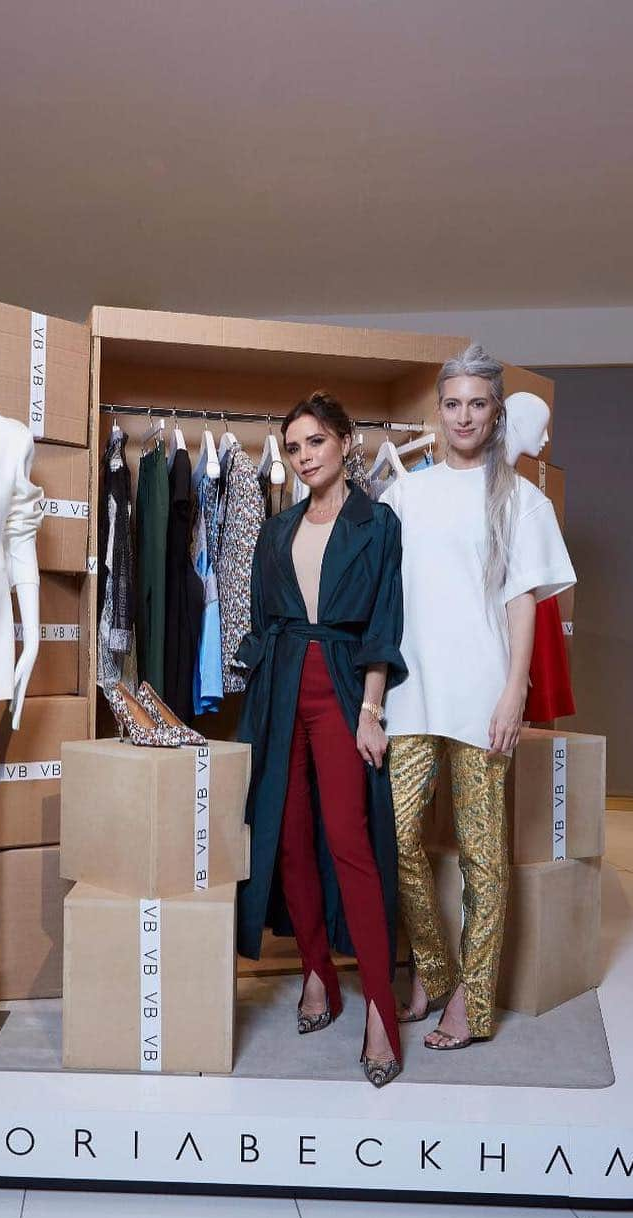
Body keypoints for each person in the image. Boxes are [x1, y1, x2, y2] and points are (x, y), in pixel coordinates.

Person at [380, 345, 575, 1051]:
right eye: (453, 403)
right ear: (441, 412)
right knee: (394, 835)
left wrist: (514, 692)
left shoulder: (520, 499)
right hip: (411, 693)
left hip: (484, 695)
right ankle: (433, 968)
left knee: (482, 856)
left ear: (496, 414)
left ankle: (473, 997)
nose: (464, 416)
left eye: (478, 403)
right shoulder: (405, 493)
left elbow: (523, 604)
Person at [234, 391, 406, 1087]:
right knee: (286, 838)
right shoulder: (278, 531)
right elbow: (260, 616)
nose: (304, 458)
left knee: (350, 842)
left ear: (345, 442)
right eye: (294, 447)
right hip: (279, 689)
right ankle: (314, 975)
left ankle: (380, 1011)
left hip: (338, 686)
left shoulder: (378, 522)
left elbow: (384, 620)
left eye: (315, 443)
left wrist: (371, 708)